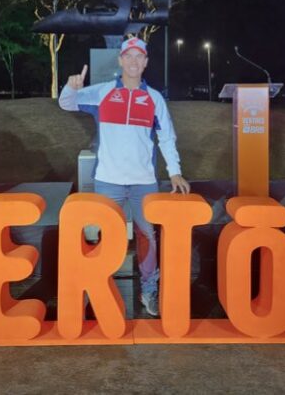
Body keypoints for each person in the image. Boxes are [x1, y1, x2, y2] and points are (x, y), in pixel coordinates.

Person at [58, 37, 190, 316]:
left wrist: (175, 172)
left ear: (145, 62)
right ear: (120, 60)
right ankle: (99, 289)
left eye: (138, 56)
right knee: (107, 237)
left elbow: (167, 138)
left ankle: (149, 290)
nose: (133, 61)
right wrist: (71, 87)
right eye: (128, 56)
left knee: (147, 236)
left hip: (144, 182)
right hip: (108, 180)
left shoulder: (154, 98)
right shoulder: (103, 92)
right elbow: (66, 104)